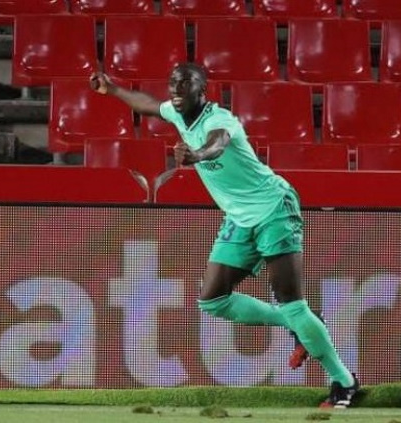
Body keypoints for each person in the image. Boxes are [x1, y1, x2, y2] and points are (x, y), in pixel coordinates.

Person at [90, 64, 359, 408]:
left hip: (274, 207)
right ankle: (300, 324)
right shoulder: (176, 112)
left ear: (202, 91)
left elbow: (218, 144)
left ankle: (343, 381)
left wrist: (196, 155)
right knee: (213, 300)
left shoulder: (221, 120)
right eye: (173, 82)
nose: (176, 89)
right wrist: (111, 89)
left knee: (292, 301)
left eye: (185, 84)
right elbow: (147, 105)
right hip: (240, 218)